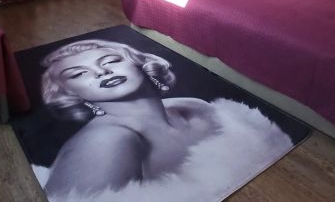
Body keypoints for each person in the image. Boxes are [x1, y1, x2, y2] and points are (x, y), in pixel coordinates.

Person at [34, 39, 292, 202]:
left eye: (111, 60)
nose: (102, 72)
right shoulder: (105, 141)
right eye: (78, 74)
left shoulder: (192, 106)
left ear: (141, 65)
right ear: (71, 95)